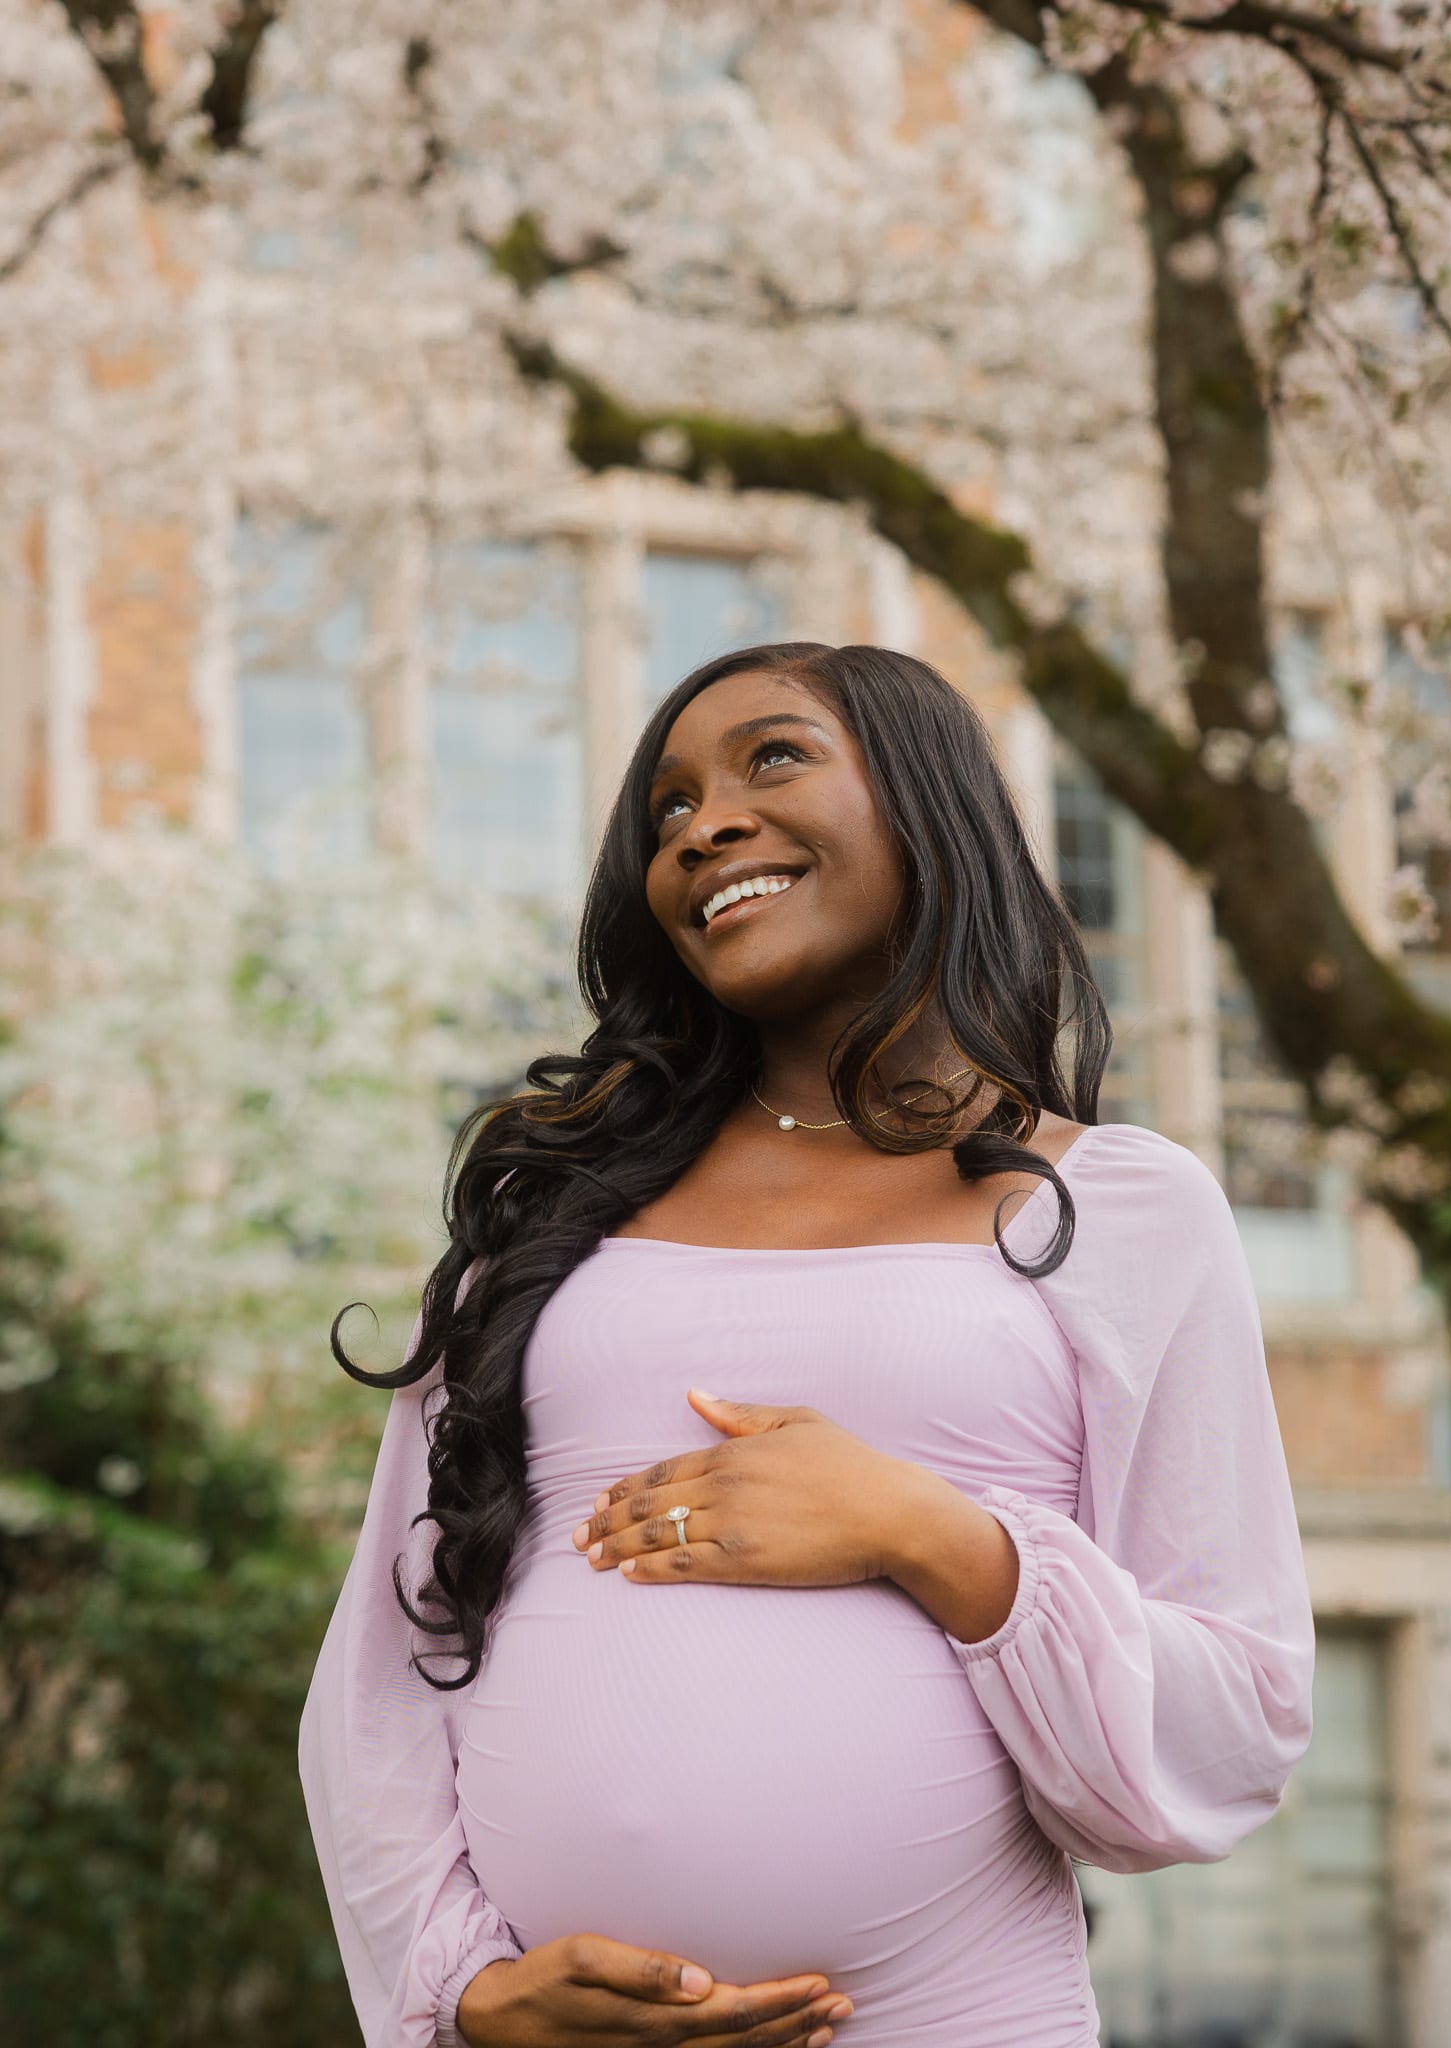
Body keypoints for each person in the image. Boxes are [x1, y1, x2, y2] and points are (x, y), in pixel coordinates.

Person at [298, 642, 1316, 2048]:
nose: (702, 825)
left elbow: (1240, 1712)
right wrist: (462, 1986)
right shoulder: (549, 1220)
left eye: (772, 759)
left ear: (925, 807)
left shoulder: (1116, 1206)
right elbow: (385, 1667)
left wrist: (937, 1537)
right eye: (665, 809)